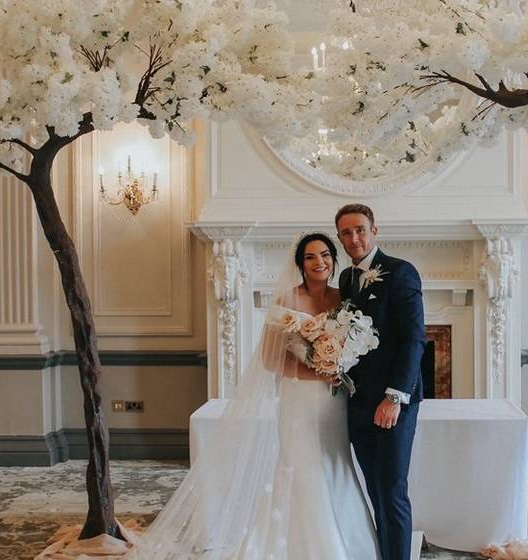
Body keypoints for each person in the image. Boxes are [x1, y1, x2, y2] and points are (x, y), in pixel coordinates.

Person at [128, 232, 378, 560]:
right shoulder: (287, 302)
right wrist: (320, 369)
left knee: (336, 463)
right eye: (311, 257)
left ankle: (352, 543)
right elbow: (271, 360)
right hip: (300, 400)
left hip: (333, 401)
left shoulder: (343, 298)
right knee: (303, 467)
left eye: (326, 255)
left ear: (334, 259)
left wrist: (340, 363)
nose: (320, 262)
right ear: (300, 264)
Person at [336, 203, 426, 560]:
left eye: (360, 229)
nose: (354, 238)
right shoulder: (345, 279)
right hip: (357, 402)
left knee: (391, 491)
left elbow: (414, 338)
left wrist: (394, 398)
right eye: (346, 232)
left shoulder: (401, 272)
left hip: (393, 403)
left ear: (375, 231)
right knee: (374, 489)